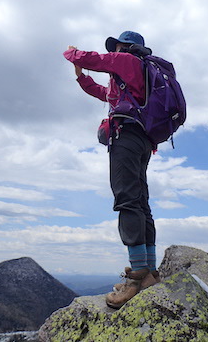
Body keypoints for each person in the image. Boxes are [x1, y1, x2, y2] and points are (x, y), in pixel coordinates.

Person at [63, 31, 160, 309]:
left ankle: (137, 276)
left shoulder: (128, 61)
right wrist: (80, 75)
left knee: (127, 200)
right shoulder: (133, 79)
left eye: (116, 46)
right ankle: (150, 273)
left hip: (126, 138)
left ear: (127, 47)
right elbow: (99, 92)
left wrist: (71, 53)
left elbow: (95, 59)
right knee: (140, 202)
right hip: (142, 140)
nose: (114, 50)